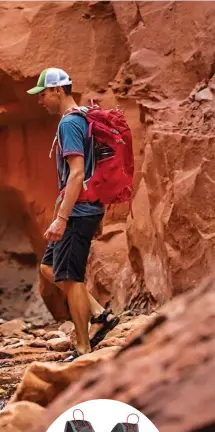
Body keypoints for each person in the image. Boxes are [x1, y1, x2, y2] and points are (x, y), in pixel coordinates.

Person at [27, 68, 119, 362]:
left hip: (78, 211)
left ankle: (82, 347)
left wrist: (62, 217)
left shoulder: (69, 123)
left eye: (43, 94)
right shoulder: (83, 118)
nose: (41, 101)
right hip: (84, 207)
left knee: (71, 276)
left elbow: (77, 173)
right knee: (50, 267)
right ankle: (98, 314)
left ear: (57, 91)